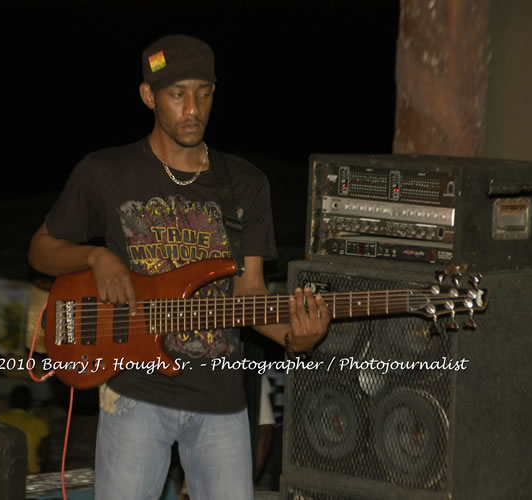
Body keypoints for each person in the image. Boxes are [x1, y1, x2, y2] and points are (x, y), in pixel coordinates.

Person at [27, 34, 330, 500]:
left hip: (221, 400)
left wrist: (295, 337)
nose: (193, 108)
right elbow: (41, 249)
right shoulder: (105, 172)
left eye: (204, 93)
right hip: (133, 396)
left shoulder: (245, 184)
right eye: (177, 94)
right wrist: (95, 255)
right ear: (148, 96)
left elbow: (247, 294)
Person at [0, 385, 50, 474]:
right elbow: (45, 453)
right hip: (31, 473)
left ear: (10, 401)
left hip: (4, 471)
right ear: (30, 403)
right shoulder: (39, 423)